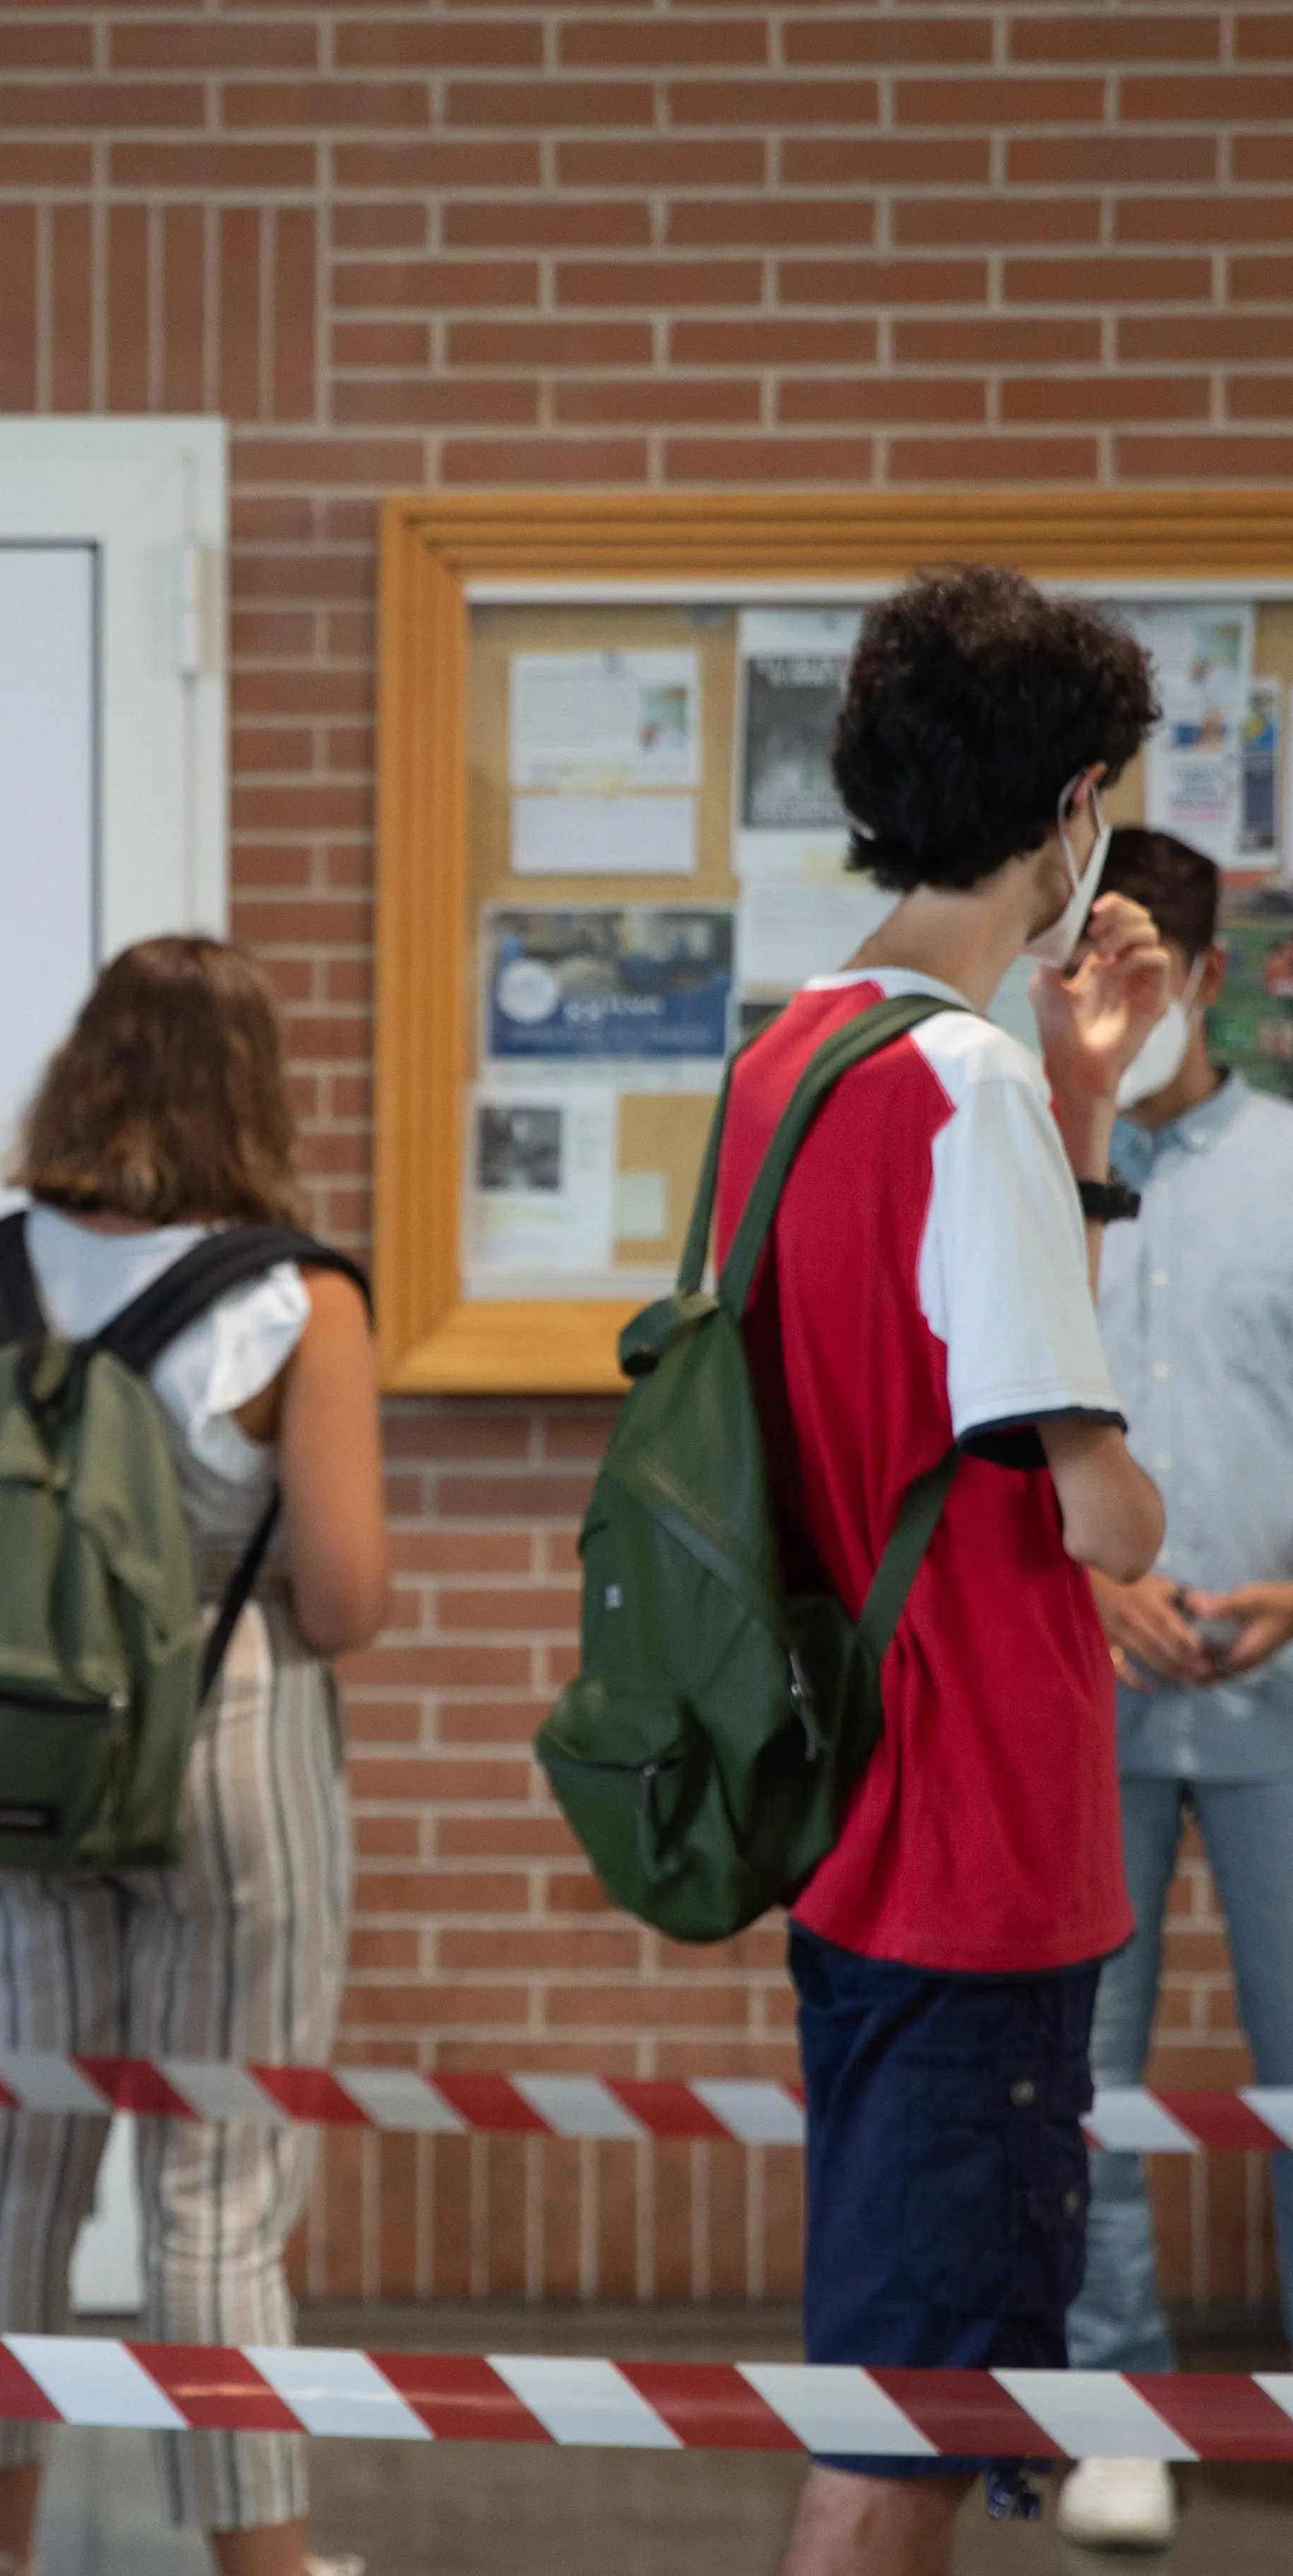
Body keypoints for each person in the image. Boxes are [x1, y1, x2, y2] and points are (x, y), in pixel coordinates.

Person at [721, 566, 1170, 2576]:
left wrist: (1078, 1092)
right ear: (1075, 804)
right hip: (988, 1834)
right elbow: (1094, 1510)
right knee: (900, 2433)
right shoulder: (961, 1084)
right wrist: (1047, 1096)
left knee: (889, 2386)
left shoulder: (803, 1054)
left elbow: (911, 1388)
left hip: (865, 1803)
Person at [0, 937, 390, 2576]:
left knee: (9, 2172)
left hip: (12, 1767)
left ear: (82, 1067)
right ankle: (255, 2563)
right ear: (253, 1091)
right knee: (217, 2182)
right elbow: (345, 1598)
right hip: (231, 1772)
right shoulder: (294, 1299)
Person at [1055, 829, 1293, 2554]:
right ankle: (1112, 2402)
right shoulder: (1026, 1170)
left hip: (1280, 1696)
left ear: (1208, 981)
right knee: (1088, 2069)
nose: (1116, 1014)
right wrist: (1091, 1575)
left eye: (1145, 983)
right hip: (1087, 1692)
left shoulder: (1287, 1170)